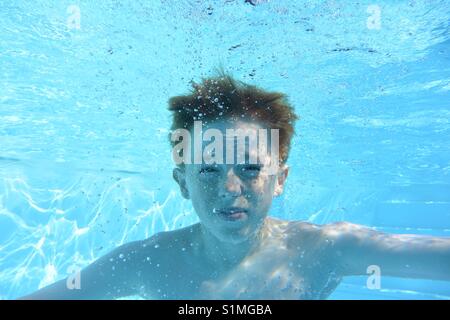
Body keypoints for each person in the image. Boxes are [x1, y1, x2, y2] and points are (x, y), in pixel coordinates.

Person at [20, 72, 450, 299]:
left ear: (279, 179)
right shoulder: (144, 263)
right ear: (182, 182)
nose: (228, 188)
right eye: (207, 170)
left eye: (249, 169)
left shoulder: (324, 251)